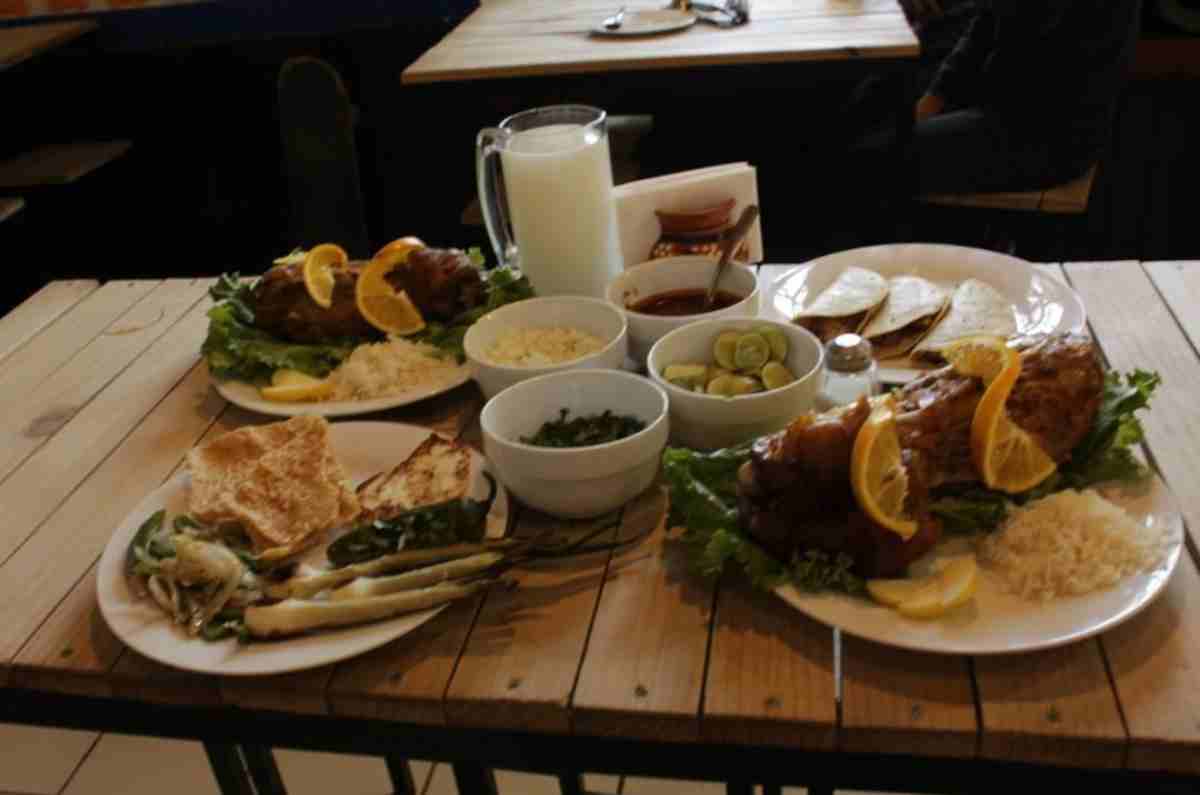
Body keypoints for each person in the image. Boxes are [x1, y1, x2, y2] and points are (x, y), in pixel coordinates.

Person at [896, 0, 1144, 195]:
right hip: (1015, 111)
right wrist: (929, 102)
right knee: (876, 115)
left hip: (1045, 136)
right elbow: (987, 24)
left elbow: (1017, 59)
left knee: (876, 157)